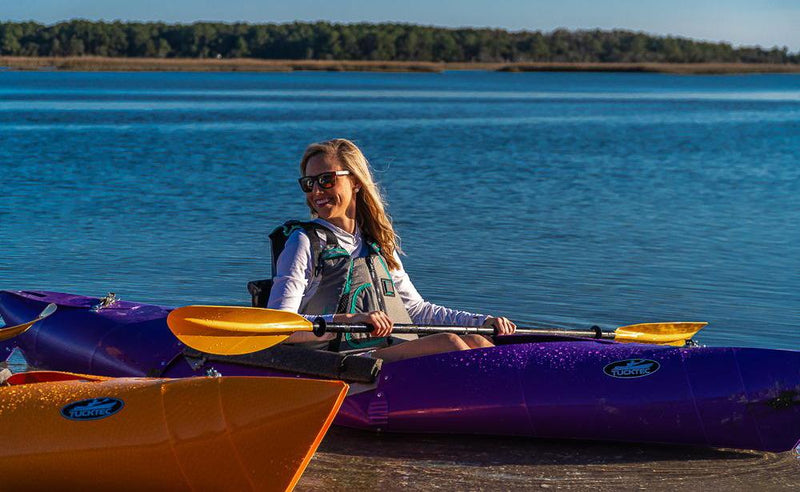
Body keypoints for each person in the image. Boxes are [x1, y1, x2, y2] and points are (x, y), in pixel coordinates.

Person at [267, 138, 515, 363]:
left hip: (379, 353)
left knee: (478, 342)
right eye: (308, 184)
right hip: (338, 363)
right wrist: (346, 321)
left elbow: (416, 311)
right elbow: (279, 326)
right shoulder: (303, 242)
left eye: (326, 180)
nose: (316, 192)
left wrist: (480, 322)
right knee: (448, 343)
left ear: (354, 181)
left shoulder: (376, 243)